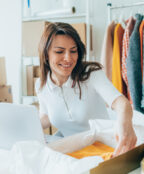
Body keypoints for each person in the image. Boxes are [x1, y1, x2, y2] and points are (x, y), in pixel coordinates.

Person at [35, 22, 137, 156]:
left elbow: (121, 103)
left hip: (102, 147)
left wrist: (125, 122)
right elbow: (47, 116)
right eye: (59, 51)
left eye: (73, 51)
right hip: (71, 148)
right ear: (46, 54)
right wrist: (27, 126)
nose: (68, 58)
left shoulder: (91, 74)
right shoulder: (41, 84)